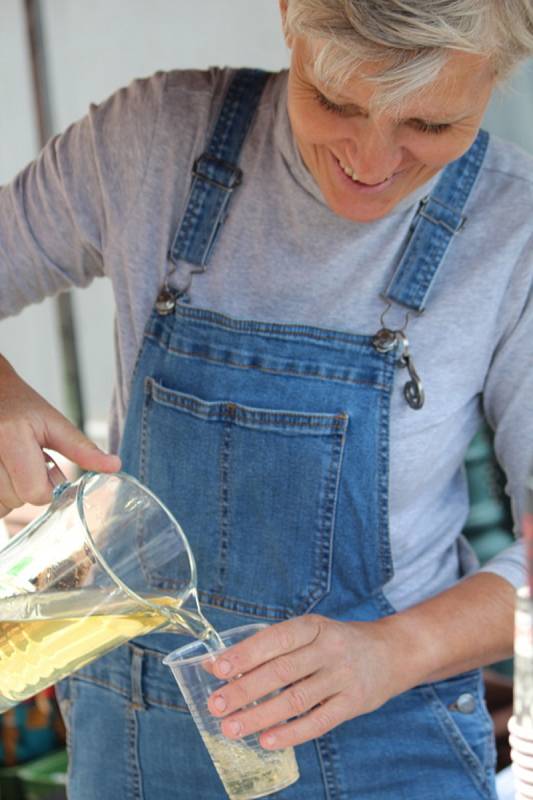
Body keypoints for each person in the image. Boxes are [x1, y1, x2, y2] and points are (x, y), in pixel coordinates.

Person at [1, 1, 532, 797]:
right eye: (338, 103)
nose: (369, 159)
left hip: (389, 750)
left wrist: (394, 651)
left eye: (427, 123)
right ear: (287, 15)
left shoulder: (511, 225)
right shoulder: (149, 140)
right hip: (129, 747)